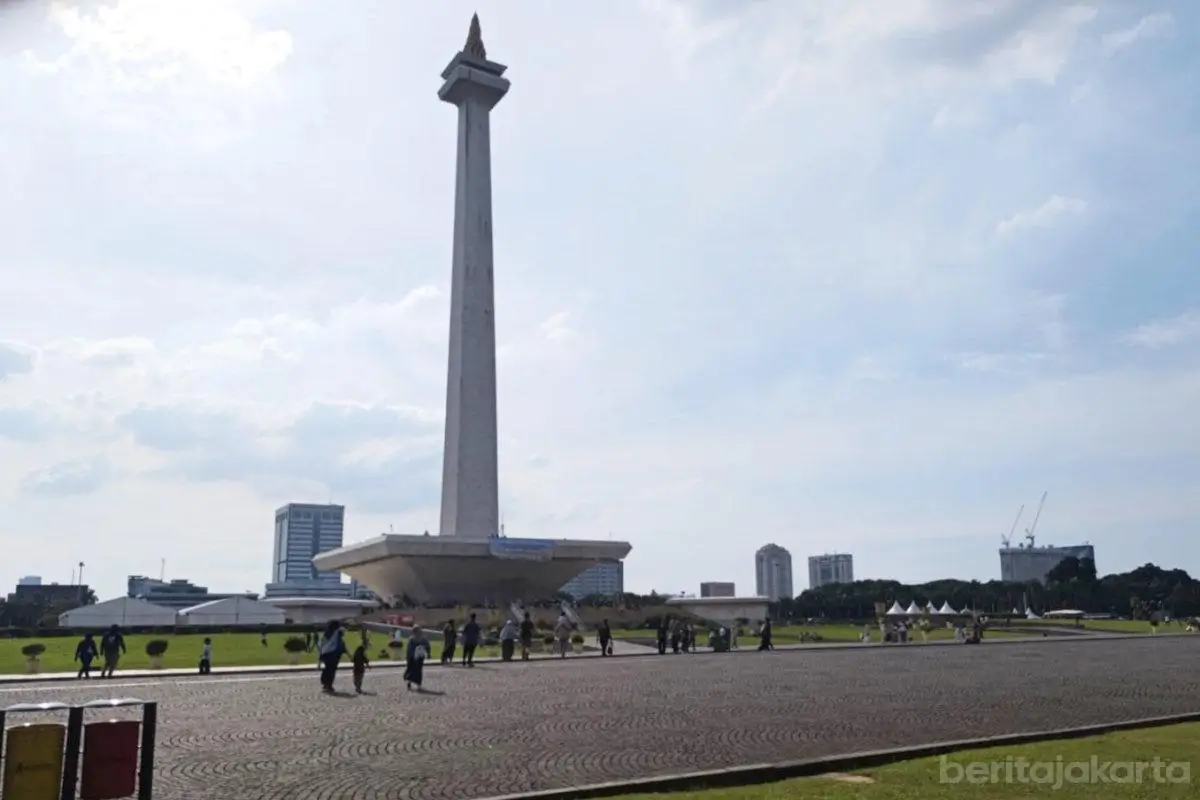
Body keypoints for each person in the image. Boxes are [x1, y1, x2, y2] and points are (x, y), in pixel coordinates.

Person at [317, 621, 346, 693]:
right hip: (333, 654)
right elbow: (340, 643)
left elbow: (322, 644)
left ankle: (325, 683)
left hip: (325, 654)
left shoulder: (326, 634)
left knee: (327, 669)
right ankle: (328, 685)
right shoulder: (337, 633)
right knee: (331, 670)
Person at [405, 625, 429, 691]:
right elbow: (410, 649)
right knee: (412, 671)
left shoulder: (422, 638)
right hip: (414, 658)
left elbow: (427, 646)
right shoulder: (412, 639)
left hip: (419, 657)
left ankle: (418, 684)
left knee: (417, 671)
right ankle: (410, 683)